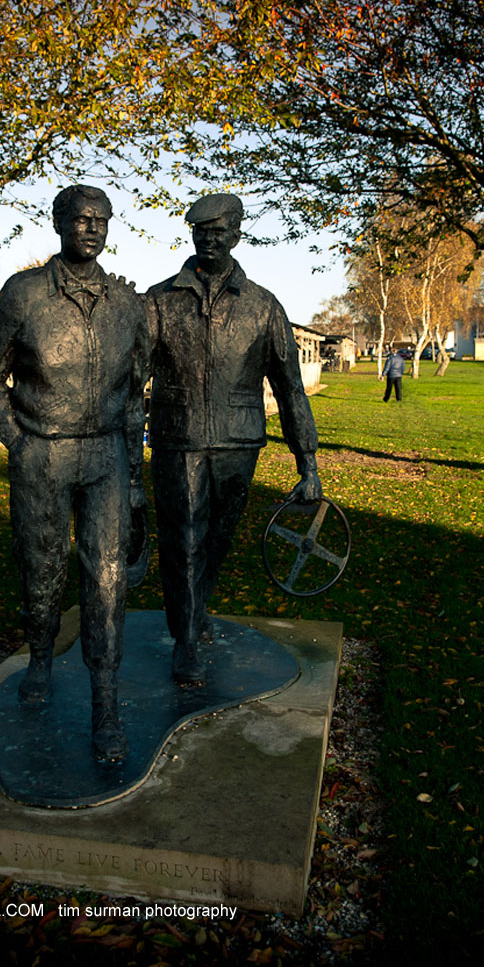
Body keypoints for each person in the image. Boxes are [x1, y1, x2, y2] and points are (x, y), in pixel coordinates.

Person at [0, 185, 149, 761]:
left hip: (106, 457)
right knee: (42, 569)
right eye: (81, 219)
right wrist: (17, 441)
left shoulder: (128, 305)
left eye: (101, 220)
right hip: (42, 455)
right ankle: (41, 658)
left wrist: (134, 476)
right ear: (58, 222)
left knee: (107, 579)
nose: (91, 229)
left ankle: (105, 701)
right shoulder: (24, 294)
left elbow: (135, 395)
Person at [145, 193, 322, 687]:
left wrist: (307, 461)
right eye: (201, 230)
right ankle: (185, 640)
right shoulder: (158, 301)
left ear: (238, 234)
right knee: (183, 539)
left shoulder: (263, 307)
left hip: (239, 443)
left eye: (219, 230)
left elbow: (290, 388)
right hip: (178, 441)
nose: (209, 238)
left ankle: (196, 610)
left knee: (216, 539)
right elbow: (129, 379)